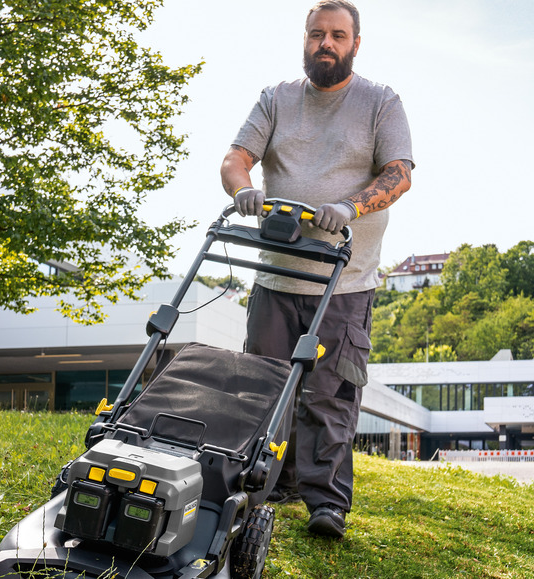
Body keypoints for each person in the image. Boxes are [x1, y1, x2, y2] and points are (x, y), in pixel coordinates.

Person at [218, 0, 413, 539]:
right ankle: (264, 484)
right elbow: (234, 159)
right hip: (277, 277)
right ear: (304, 39)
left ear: (355, 43)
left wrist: (350, 208)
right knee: (265, 388)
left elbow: (399, 175)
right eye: (316, 34)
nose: (325, 43)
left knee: (331, 392)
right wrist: (244, 191)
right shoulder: (276, 98)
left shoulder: (380, 102)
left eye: (337, 35)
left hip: (343, 282)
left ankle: (326, 503)